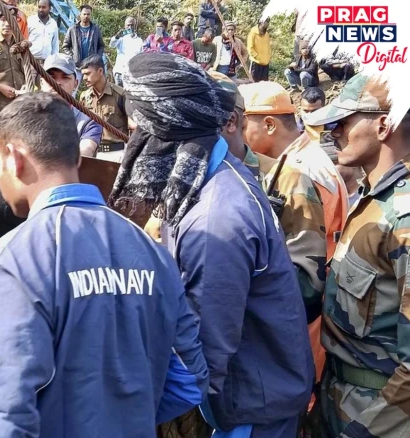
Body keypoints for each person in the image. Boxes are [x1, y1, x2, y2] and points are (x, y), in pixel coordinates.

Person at [0, 92, 209, 437]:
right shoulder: (151, 251)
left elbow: (1, 416)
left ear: (14, 158)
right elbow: (190, 378)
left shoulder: (15, 258)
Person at [111, 52, 313, 437]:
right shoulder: (210, 176)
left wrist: (112, 412)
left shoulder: (216, 219)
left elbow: (200, 361)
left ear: (164, 129)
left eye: (140, 125)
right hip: (252, 388)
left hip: (251, 409)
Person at [304, 73, 410, 438]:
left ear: (384, 126)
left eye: (343, 123)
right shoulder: (372, 197)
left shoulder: (403, 215)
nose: (333, 133)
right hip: (341, 396)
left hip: (379, 415)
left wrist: (366, 430)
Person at [241, 81, 348, 262]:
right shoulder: (298, 158)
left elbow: (310, 256)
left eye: (242, 127)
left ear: (269, 125)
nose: (238, 136)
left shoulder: (302, 170)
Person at [41, 53, 102, 157]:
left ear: (75, 84)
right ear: (41, 82)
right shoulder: (25, 115)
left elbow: (86, 151)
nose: (58, 83)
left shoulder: (89, 121)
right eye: (51, 77)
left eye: (65, 77)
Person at [79, 55, 128, 162]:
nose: (84, 78)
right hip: (91, 153)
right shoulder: (84, 96)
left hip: (117, 154)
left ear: (100, 71)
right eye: (83, 75)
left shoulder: (120, 95)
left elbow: (132, 125)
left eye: (88, 74)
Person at [109, 16, 143, 87]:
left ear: (135, 26)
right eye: (128, 25)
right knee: (119, 95)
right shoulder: (121, 38)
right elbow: (112, 45)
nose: (130, 27)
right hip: (120, 72)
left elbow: (141, 57)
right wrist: (117, 36)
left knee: (129, 96)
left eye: (132, 25)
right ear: (125, 26)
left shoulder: (139, 41)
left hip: (132, 73)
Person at [247, 17, 271, 82]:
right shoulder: (253, 33)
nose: (267, 24)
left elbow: (268, 48)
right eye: (265, 22)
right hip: (256, 62)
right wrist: (257, 56)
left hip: (265, 63)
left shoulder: (267, 34)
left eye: (268, 22)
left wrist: (268, 58)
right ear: (260, 23)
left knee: (264, 83)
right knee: (253, 82)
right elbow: (250, 47)